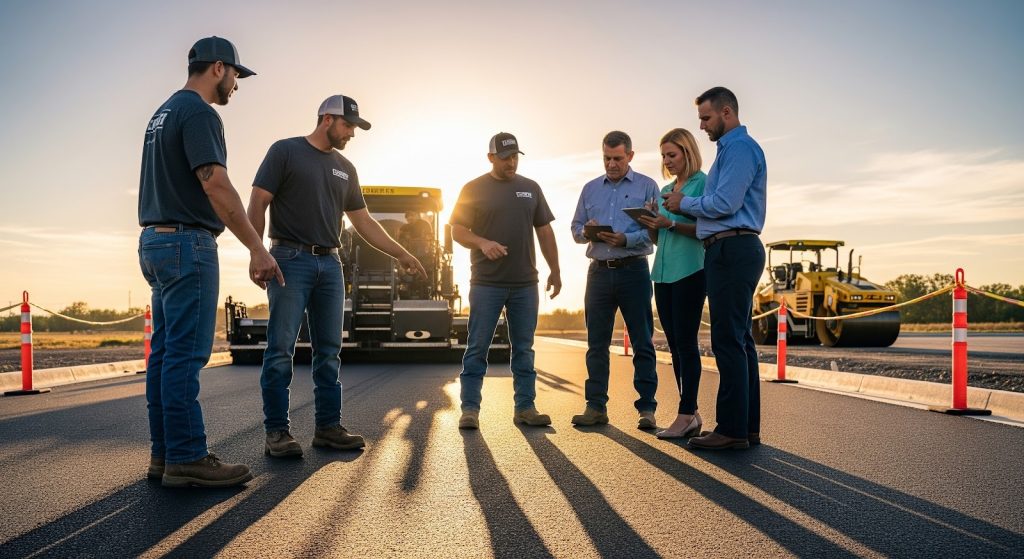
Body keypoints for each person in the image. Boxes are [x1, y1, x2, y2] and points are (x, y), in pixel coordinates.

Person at [138, 36, 283, 487]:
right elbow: (215, 184)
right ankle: (187, 457)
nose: (237, 85)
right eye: (237, 75)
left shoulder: (161, 114)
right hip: (187, 244)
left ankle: (164, 455)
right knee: (184, 356)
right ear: (218, 67)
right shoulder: (200, 113)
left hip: (155, 241)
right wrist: (257, 247)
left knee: (164, 356)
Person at [248, 95, 426, 457]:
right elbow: (258, 200)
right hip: (289, 258)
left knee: (329, 352)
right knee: (281, 350)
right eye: (348, 125)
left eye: (355, 128)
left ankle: (328, 428)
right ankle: (277, 433)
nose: (352, 134)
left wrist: (401, 252)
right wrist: (257, 251)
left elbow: (363, 222)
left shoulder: (346, 167)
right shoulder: (285, 151)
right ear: (326, 119)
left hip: (330, 264)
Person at [663, 87, 767, 450]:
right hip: (734, 247)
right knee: (740, 340)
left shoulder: (738, 148)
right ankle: (746, 427)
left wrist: (683, 202)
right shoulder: (733, 149)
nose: (703, 126)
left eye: (706, 118)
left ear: (726, 112)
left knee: (727, 340)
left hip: (732, 247)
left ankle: (731, 430)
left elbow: (725, 202)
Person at [450, 132, 561, 429]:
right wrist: (483, 242)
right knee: (477, 347)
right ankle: (470, 409)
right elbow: (457, 231)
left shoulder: (530, 188)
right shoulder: (473, 188)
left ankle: (525, 408)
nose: (511, 162)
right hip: (487, 283)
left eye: (514, 157)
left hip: (525, 283)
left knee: (524, 349)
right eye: (505, 158)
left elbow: (545, 231)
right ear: (491, 158)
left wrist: (556, 269)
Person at [570, 131, 661, 429]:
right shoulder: (590, 189)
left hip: (633, 270)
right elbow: (575, 229)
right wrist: (587, 231)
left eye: (617, 158)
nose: (611, 164)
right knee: (596, 344)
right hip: (597, 273)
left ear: (630, 156)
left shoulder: (648, 187)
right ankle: (595, 407)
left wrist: (626, 239)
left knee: (642, 341)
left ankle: (646, 408)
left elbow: (654, 233)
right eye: (607, 158)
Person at [636, 129, 707, 439]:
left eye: (672, 155)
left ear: (687, 152)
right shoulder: (666, 189)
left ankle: (686, 412)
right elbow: (659, 237)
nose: (666, 160)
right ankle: (690, 412)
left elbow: (706, 228)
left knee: (687, 344)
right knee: (675, 346)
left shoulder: (702, 184)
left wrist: (671, 224)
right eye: (663, 155)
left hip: (690, 271)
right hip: (662, 274)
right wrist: (652, 223)